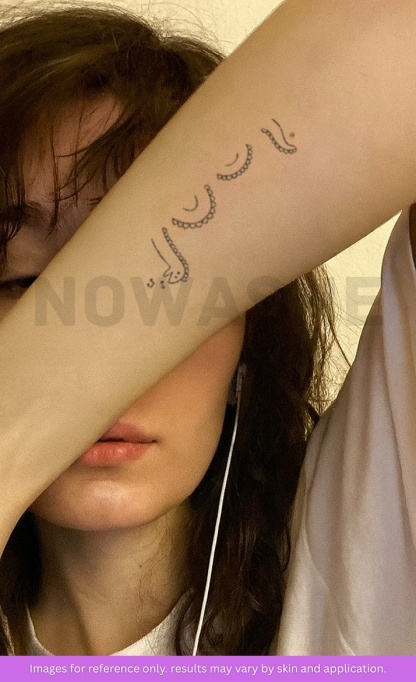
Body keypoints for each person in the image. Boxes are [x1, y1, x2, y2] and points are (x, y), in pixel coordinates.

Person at [2, 0, 416, 657]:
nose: (107, 353)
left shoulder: (356, 560)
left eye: (170, 284)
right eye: (26, 281)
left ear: (247, 346)